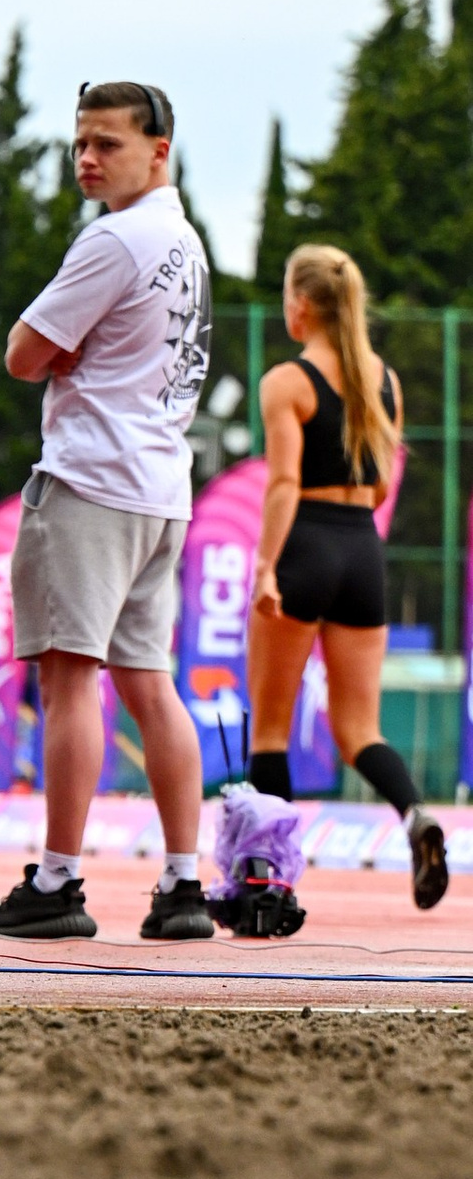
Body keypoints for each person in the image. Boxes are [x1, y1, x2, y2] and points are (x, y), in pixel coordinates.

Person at [0, 82, 215, 941]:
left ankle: (58, 881)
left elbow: (22, 353)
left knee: (68, 676)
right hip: (160, 488)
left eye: (107, 143)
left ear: (159, 150)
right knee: (150, 684)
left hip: (90, 484)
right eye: (80, 142)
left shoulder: (113, 241)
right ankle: (185, 883)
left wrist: (60, 352)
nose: (86, 157)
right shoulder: (186, 243)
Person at [244, 242, 448, 910]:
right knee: (361, 729)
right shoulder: (383, 379)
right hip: (362, 549)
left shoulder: (288, 382)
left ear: (301, 305)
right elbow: (384, 479)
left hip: (305, 541)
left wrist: (269, 565)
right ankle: (416, 815)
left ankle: (269, 887)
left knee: (270, 730)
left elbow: (282, 484)